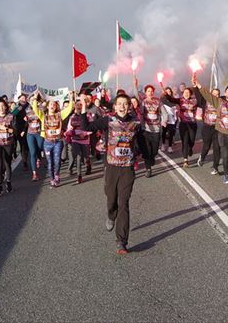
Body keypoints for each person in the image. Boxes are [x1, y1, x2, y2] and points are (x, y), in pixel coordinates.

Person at [84, 93, 142, 254]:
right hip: (111, 166)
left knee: (124, 202)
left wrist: (141, 153)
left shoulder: (136, 122)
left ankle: (121, 241)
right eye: (119, 103)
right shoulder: (108, 120)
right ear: (115, 106)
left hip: (127, 168)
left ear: (129, 106)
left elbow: (141, 141)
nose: (122, 106)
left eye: (125, 103)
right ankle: (111, 215)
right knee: (111, 198)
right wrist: (82, 110)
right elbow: (87, 128)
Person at [193, 77, 228, 184]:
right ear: (225, 93)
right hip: (220, 132)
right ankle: (226, 175)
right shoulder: (219, 102)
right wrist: (198, 85)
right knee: (223, 154)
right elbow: (207, 94)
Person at [31, 91, 75, 187]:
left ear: (56, 107)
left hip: (58, 142)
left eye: (54, 104)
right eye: (50, 104)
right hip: (47, 143)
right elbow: (35, 108)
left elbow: (69, 108)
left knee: (57, 161)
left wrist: (71, 97)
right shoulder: (43, 116)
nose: (52, 105)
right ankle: (52, 179)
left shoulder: (60, 115)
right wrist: (35, 98)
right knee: (50, 163)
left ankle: (57, 175)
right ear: (47, 106)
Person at [133, 78, 167, 178]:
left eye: (152, 91)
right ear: (145, 93)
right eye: (148, 91)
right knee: (147, 149)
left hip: (156, 129)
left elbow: (164, 112)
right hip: (146, 130)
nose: (150, 92)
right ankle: (148, 169)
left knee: (155, 150)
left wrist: (164, 121)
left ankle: (152, 157)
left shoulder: (158, 101)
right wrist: (135, 85)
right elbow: (136, 97)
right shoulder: (143, 102)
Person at [161, 83, 199, 167]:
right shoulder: (180, 100)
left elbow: (200, 99)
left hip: (192, 124)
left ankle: (190, 148)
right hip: (183, 124)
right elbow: (170, 99)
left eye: (188, 92)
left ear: (190, 94)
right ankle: (185, 160)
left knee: (191, 140)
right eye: (185, 92)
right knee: (185, 141)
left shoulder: (195, 101)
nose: (186, 94)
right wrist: (165, 93)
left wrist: (196, 86)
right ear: (183, 93)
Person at [65, 99, 91, 183]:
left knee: (85, 158)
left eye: (80, 105)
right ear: (75, 107)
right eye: (77, 105)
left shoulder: (88, 116)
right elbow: (69, 128)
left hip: (85, 140)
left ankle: (88, 165)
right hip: (75, 140)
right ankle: (79, 176)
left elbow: (92, 127)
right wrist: (69, 133)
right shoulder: (72, 117)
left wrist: (85, 133)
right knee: (78, 157)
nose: (78, 107)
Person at [197, 87, 220, 171]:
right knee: (206, 146)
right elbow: (198, 95)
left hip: (217, 128)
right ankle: (202, 157)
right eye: (214, 94)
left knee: (217, 147)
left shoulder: (221, 102)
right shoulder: (205, 101)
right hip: (207, 127)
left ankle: (215, 167)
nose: (216, 96)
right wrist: (195, 86)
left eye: (217, 94)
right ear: (211, 94)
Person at [24, 94, 45, 181]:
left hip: (39, 133)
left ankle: (39, 158)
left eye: (34, 100)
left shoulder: (41, 108)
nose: (33, 101)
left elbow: (44, 118)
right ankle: (34, 174)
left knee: (40, 147)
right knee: (32, 153)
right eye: (31, 100)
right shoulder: (27, 109)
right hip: (30, 133)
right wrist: (25, 119)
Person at [160, 88, 177, 154]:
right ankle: (163, 144)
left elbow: (176, 109)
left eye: (169, 91)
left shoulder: (173, 100)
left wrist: (176, 117)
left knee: (171, 133)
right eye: (166, 92)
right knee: (164, 132)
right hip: (164, 119)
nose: (168, 93)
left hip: (172, 119)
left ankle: (170, 146)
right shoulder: (162, 100)